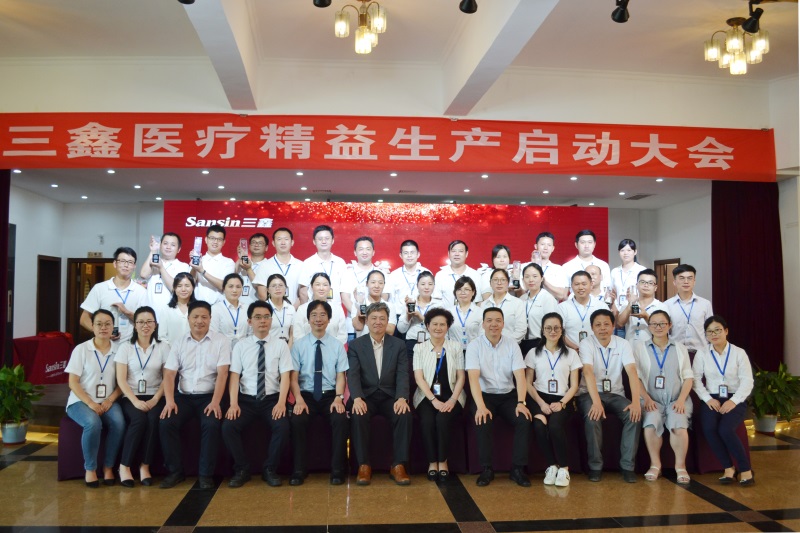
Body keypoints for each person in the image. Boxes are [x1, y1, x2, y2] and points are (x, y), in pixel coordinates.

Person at [159, 301, 231, 489]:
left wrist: (215, 402)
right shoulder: (179, 342)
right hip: (183, 397)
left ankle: (205, 475)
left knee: (211, 423)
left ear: (210, 319)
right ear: (189, 319)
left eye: (204, 317)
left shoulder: (221, 341)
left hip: (209, 396)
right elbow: (169, 374)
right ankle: (175, 472)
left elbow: (223, 374)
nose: (200, 321)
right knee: (166, 422)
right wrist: (169, 401)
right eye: (195, 317)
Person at [223, 301, 292, 488]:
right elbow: (234, 376)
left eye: (266, 317)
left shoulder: (280, 345)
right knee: (228, 427)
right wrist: (233, 404)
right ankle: (242, 469)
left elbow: (285, 376)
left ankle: (270, 469)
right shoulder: (241, 346)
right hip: (246, 400)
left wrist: (281, 403)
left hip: (272, 399)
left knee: (282, 427)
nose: (263, 321)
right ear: (249, 321)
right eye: (258, 317)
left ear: (271, 320)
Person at [347, 302, 412, 486]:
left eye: (382, 318)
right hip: (365, 396)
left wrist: (402, 397)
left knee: (404, 414)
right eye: (374, 318)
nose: (378, 322)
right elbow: (353, 374)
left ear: (387, 321)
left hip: (390, 396)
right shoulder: (356, 345)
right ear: (367, 321)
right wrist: (356, 398)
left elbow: (402, 374)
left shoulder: (398, 344)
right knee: (358, 414)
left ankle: (398, 465)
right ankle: (363, 465)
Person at [467, 308, 532, 487]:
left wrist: (521, 402)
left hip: (508, 396)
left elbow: (520, 376)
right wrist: (480, 406)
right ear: (483, 324)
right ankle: (487, 469)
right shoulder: (474, 346)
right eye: (489, 320)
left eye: (497, 320)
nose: (493, 324)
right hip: (484, 396)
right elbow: (473, 378)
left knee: (524, 419)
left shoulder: (512, 345)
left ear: (503, 323)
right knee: (482, 419)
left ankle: (517, 469)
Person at [576, 309, 642, 483]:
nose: (602, 328)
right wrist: (596, 402)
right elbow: (588, 372)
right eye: (598, 325)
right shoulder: (586, 344)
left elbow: (632, 372)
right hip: (589, 394)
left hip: (615, 394)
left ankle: (627, 466)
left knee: (634, 415)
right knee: (593, 416)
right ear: (592, 327)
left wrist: (636, 402)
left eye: (606, 324)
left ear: (613, 326)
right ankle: (595, 466)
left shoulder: (623, 344)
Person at [289, 301, 349, 486]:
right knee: (297, 420)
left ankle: (337, 470)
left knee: (340, 419)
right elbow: (293, 378)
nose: (318, 319)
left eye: (323, 315)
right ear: (308, 319)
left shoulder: (337, 346)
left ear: (329, 319)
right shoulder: (298, 346)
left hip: (330, 395)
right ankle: (299, 470)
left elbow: (341, 376)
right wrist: (298, 399)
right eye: (314, 315)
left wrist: (339, 398)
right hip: (306, 395)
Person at [65, 309, 126, 487]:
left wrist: (110, 400)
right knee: (93, 422)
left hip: (108, 401)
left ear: (113, 327)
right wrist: (90, 403)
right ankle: (90, 469)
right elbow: (73, 382)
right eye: (99, 324)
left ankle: (108, 467)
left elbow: (122, 383)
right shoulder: (81, 349)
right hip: (80, 401)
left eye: (107, 324)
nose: (103, 327)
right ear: (92, 326)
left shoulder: (120, 351)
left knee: (119, 423)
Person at [692, 315, 754, 486]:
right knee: (709, 428)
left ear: (726, 331)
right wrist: (707, 399)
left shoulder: (739, 353)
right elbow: (695, 379)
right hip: (712, 398)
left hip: (735, 397)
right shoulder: (702, 353)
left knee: (725, 429)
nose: (714, 334)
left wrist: (734, 401)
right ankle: (728, 468)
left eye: (717, 330)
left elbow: (747, 381)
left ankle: (746, 469)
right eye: (709, 332)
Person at [633, 310, 693, 484]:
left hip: (677, 399)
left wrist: (681, 400)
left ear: (669, 325)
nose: (658, 327)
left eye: (662, 323)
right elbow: (635, 377)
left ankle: (680, 467)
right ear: (649, 326)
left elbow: (688, 377)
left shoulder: (680, 348)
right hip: (651, 400)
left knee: (678, 425)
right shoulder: (640, 348)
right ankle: (655, 465)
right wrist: (646, 398)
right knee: (651, 423)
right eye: (654, 324)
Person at [524, 312, 582, 487]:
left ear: (562, 330)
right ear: (542, 330)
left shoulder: (571, 354)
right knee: (539, 425)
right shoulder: (533, 353)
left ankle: (564, 468)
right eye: (548, 328)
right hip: (538, 398)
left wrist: (562, 403)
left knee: (555, 425)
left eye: (556, 328)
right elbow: (528, 383)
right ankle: (552, 466)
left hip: (563, 398)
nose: (552, 331)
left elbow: (574, 386)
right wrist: (541, 403)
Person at [114, 306, 169, 487]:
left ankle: (145, 466)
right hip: (131, 396)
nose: (145, 325)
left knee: (153, 419)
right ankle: (124, 466)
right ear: (135, 325)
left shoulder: (163, 347)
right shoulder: (125, 348)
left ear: (155, 325)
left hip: (155, 394)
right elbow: (121, 380)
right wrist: (135, 401)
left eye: (149, 321)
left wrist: (155, 399)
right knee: (139, 420)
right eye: (141, 322)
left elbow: (167, 378)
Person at [413, 308, 466, 482]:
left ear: (448, 327)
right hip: (426, 396)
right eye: (434, 324)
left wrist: (453, 399)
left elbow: (461, 376)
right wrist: (433, 400)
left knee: (443, 420)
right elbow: (419, 378)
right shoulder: (419, 348)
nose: (438, 328)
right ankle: (432, 463)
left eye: (442, 324)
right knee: (428, 421)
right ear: (427, 326)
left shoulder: (455, 347)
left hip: (452, 395)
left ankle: (443, 462)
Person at [80, 247, 147, 343]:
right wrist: (99, 331)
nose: (126, 265)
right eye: (122, 261)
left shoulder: (141, 292)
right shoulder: (100, 288)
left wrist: (127, 312)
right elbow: (84, 318)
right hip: (104, 345)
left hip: (131, 345)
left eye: (130, 262)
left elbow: (145, 322)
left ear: (134, 266)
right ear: (115, 263)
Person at [341, 236, 386, 339]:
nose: (364, 252)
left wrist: (371, 316)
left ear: (373, 252)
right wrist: (358, 313)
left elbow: (384, 297)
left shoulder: (381, 273)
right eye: (361, 249)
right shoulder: (347, 273)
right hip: (352, 324)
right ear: (355, 252)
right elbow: (345, 298)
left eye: (368, 249)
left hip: (376, 324)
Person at [666, 264, 714, 356]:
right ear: (674, 282)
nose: (686, 282)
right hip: (676, 353)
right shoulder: (666, 305)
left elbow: (710, 329)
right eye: (682, 278)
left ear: (694, 281)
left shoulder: (705, 304)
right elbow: (666, 332)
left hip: (701, 353)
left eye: (690, 278)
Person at [297, 225, 347, 306]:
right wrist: (306, 310)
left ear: (332, 240)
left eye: (327, 238)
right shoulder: (308, 263)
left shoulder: (340, 262)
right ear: (314, 241)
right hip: (314, 309)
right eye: (320, 239)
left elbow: (345, 291)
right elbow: (303, 291)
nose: (324, 241)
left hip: (336, 309)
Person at [397, 271, 443, 359]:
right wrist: (408, 316)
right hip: (412, 343)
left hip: (432, 343)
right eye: (423, 284)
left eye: (430, 284)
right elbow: (401, 329)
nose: (426, 287)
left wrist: (420, 316)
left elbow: (438, 328)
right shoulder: (411, 303)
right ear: (417, 286)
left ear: (434, 286)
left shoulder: (438, 305)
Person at [140, 233, 191, 310]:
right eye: (165, 243)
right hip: (150, 312)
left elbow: (176, 289)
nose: (168, 247)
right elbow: (143, 274)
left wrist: (161, 268)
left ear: (179, 249)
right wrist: (153, 251)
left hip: (171, 312)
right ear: (160, 245)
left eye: (173, 245)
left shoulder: (183, 266)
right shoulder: (154, 261)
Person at [254, 227, 303, 307]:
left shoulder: (301, 265)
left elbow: (303, 293)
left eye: (286, 239)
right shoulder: (265, 265)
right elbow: (262, 294)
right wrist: (276, 310)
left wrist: (292, 310)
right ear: (273, 243)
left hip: (295, 310)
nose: (283, 243)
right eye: (279, 239)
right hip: (272, 311)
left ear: (292, 242)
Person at [293, 273, 348, 344]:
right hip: (307, 349)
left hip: (332, 349)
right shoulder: (302, 309)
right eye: (318, 284)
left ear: (329, 287)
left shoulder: (337, 309)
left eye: (325, 285)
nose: (321, 288)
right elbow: (298, 335)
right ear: (311, 287)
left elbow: (342, 335)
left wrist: (332, 347)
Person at [190, 224, 236, 305]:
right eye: (212, 238)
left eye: (219, 239)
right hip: (198, 306)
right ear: (206, 239)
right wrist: (194, 267)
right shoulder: (199, 260)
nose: (215, 242)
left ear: (224, 242)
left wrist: (202, 271)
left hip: (219, 306)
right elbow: (190, 283)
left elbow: (224, 286)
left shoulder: (229, 262)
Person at [519, 263, 559, 355]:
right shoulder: (522, 299)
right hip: (522, 343)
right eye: (527, 277)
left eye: (535, 276)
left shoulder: (547, 298)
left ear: (541, 278)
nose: (531, 280)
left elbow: (552, 325)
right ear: (523, 279)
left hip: (541, 343)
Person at [616, 269, 665, 343]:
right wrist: (631, 303)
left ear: (655, 287)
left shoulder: (661, 306)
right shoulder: (628, 304)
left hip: (651, 347)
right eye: (642, 282)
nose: (646, 285)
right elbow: (619, 324)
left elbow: (663, 329)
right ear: (637, 285)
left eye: (650, 283)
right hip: (630, 347)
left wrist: (646, 316)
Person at [480, 268, 527, 344]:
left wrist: (505, 344)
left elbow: (521, 329)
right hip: (487, 347)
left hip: (510, 346)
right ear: (490, 283)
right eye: (495, 280)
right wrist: (488, 344)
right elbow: (481, 329)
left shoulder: (517, 303)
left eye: (503, 280)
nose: (499, 283)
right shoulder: (484, 305)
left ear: (508, 282)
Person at [562, 230, 611, 294]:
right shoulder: (567, 267)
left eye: (590, 242)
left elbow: (607, 289)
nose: (586, 246)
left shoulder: (603, 265)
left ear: (594, 244)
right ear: (576, 245)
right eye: (583, 242)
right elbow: (564, 294)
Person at [386, 239, 430, 311]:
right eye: (406, 253)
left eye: (412, 252)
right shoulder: (394, 275)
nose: (409, 255)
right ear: (401, 255)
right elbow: (390, 300)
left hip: (422, 314)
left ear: (418, 254)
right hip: (399, 315)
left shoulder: (426, 273)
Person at [435, 240, 481, 307]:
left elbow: (478, 301)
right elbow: (436, 300)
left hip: (470, 313)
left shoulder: (475, 275)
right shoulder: (440, 275)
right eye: (453, 251)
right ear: (448, 254)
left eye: (460, 251)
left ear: (466, 254)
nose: (457, 254)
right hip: (446, 313)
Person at [557, 271, 596, 350]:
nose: (580, 287)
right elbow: (558, 331)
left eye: (584, 284)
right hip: (570, 352)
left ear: (591, 285)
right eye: (577, 284)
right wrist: (574, 348)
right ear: (571, 286)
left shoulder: (601, 306)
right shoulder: (562, 307)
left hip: (596, 351)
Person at [523, 232, 568, 300]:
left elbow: (561, 295)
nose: (545, 248)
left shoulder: (558, 269)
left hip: (550, 306)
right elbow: (519, 293)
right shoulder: (524, 267)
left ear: (553, 248)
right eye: (542, 244)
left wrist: (544, 282)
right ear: (536, 246)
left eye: (549, 245)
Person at [352, 270, 396, 338]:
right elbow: (358, 327)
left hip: (383, 343)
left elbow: (390, 331)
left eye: (380, 283)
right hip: (363, 342)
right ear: (367, 284)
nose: (377, 286)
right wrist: (360, 304)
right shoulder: (358, 304)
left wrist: (371, 321)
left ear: (384, 285)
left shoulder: (389, 306)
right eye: (373, 282)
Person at [210, 273, 249, 347]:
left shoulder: (247, 308)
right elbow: (213, 334)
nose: (234, 290)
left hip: (245, 350)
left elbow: (251, 333)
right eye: (231, 286)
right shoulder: (216, 309)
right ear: (224, 288)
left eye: (238, 287)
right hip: (223, 350)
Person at [157, 272, 196, 344]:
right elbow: (162, 337)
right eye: (179, 286)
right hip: (171, 350)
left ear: (193, 287)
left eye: (187, 286)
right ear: (174, 288)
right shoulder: (166, 310)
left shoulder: (199, 309)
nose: (183, 289)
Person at [446, 276, 483, 352]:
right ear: (455, 292)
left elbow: (482, 336)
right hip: (453, 352)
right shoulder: (448, 312)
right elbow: (445, 336)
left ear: (473, 292)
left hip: (474, 352)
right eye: (459, 289)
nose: (462, 292)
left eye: (466, 289)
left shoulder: (480, 312)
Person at [609, 239, 646, 312]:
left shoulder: (642, 270)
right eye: (622, 250)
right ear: (619, 252)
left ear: (635, 252)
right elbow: (611, 292)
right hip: (617, 310)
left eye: (629, 250)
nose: (625, 253)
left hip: (635, 309)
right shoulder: (614, 271)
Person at [236, 232, 269, 308]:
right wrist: (240, 258)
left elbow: (261, 288)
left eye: (260, 243)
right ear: (249, 246)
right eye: (253, 242)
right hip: (238, 307)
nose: (256, 245)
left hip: (258, 307)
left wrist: (248, 269)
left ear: (266, 248)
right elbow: (229, 281)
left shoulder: (269, 266)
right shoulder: (241, 263)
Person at [264, 273, 295, 345]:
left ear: (285, 288)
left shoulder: (291, 308)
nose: (277, 288)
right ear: (268, 290)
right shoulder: (263, 308)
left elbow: (292, 334)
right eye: (274, 286)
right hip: (268, 346)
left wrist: (287, 349)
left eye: (280, 285)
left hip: (287, 347)